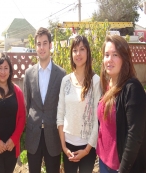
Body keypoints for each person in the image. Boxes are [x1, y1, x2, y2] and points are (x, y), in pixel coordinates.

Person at [96, 35, 146, 173]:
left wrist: (123, 170)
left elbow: (135, 135)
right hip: (103, 161)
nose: (109, 59)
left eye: (115, 55)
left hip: (120, 167)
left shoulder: (132, 88)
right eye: (106, 55)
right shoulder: (107, 85)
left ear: (124, 58)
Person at [23, 27, 66, 173]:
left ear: (50, 45)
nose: (42, 47)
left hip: (52, 135)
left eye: (45, 43)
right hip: (33, 134)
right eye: (39, 44)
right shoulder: (28, 74)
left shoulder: (61, 74)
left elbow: (62, 107)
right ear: (35, 46)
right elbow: (27, 104)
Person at [57, 35, 101, 173]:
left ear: (88, 52)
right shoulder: (65, 81)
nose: (78, 53)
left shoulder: (96, 81)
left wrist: (87, 149)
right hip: (68, 145)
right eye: (75, 50)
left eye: (82, 49)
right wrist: (64, 147)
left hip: (88, 146)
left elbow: (97, 119)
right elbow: (60, 114)